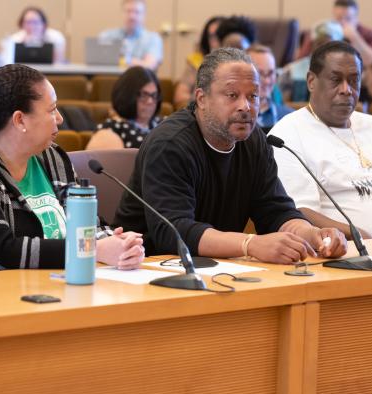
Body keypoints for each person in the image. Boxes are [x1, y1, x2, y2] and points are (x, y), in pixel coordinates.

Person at [113, 47, 347, 264]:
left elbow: (276, 211)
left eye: (253, 96)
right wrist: (250, 244)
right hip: (149, 267)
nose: (246, 106)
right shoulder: (170, 145)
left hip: (218, 266)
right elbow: (174, 231)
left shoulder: (254, 141)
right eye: (232, 95)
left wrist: (314, 235)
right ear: (202, 99)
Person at [0, 64, 145, 275]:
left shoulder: (53, 158)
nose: (60, 118)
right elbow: (1, 252)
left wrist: (120, 244)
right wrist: (92, 248)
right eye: (52, 110)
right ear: (20, 120)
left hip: (51, 288)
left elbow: (88, 227)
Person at [271, 41, 372, 239]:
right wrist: (356, 236)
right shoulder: (287, 133)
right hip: (352, 256)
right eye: (336, 80)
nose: (346, 89)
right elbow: (299, 212)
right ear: (311, 81)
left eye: (353, 81)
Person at [86, 66, 161, 150]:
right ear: (127, 96)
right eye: (143, 95)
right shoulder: (111, 130)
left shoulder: (164, 124)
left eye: (154, 95)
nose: (150, 101)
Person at [278, 20, 344, 102]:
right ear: (312, 45)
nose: (323, 49)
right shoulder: (292, 71)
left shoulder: (346, 71)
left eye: (329, 45)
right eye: (319, 43)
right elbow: (282, 104)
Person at [298, 0, 372, 67]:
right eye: (339, 18)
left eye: (348, 18)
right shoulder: (324, 31)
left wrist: (355, 38)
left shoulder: (370, 34)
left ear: (356, 19)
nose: (342, 22)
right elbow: (301, 60)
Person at [173, 16, 224, 108]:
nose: (215, 42)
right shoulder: (197, 61)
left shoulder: (241, 64)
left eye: (219, 36)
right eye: (211, 36)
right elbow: (180, 96)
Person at [98, 0, 162, 71]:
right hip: (111, 79)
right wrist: (137, 62)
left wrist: (122, 60)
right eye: (128, 11)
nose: (132, 16)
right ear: (122, 13)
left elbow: (149, 66)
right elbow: (99, 61)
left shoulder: (153, 39)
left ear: (144, 15)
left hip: (139, 80)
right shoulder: (107, 36)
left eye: (137, 12)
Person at [247, 44, 293, 133]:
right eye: (259, 74)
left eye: (271, 73)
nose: (267, 81)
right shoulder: (234, 118)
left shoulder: (290, 117)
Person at [0, 7, 66, 65]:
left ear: (43, 24)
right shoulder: (15, 39)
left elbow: (59, 61)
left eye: (36, 22)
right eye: (28, 22)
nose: (32, 26)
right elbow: (6, 62)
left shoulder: (56, 37)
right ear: (22, 24)